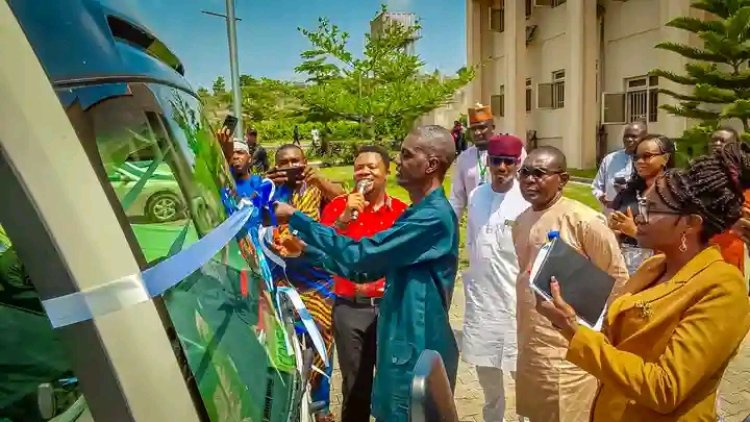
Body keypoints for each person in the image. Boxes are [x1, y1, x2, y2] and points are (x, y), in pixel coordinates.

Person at [536, 141, 750, 421]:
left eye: (653, 209)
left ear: (691, 223)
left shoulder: (723, 289)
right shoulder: (655, 266)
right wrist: (571, 308)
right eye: (643, 204)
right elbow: (618, 338)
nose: (638, 215)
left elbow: (665, 388)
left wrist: (574, 330)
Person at [273, 125, 459, 422]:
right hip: (399, 341)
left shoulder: (431, 218)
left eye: (407, 155)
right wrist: (308, 252)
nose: (399, 161)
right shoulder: (417, 212)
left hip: (417, 347)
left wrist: (298, 219)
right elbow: (363, 270)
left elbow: (362, 256)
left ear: (431, 165)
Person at [512, 146, 629, 422]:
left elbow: (618, 279)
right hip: (532, 344)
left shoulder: (585, 221)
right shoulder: (521, 221)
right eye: (525, 172)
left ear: (562, 180)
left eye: (539, 174)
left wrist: (602, 336)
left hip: (570, 350)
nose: (529, 180)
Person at [319, 146, 408, 422]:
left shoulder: (403, 212)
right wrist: (345, 218)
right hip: (350, 310)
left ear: (386, 172)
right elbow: (323, 248)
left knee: (392, 385)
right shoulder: (337, 208)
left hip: (390, 308)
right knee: (356, 386)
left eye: (372, 167)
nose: (365, 172)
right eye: (359, 167)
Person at [264, 144, 344, 422]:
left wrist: (318, 179)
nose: (290, 166)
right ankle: (291, 402)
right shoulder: (271, 190)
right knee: (286, 342)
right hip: (282, 280)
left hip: (318, 281)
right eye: (283, 162)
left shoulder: (317, 187)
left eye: (295, 160)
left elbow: (346, 201)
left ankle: (320, 405)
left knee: (321, 338)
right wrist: (265, 186)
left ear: (305, 161)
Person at [462, 134, 529, 422]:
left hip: (516, 306)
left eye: (508, 162)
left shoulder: (527, 200)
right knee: (488, 380)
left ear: (517, 164)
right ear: (488, 162)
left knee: (524, 377)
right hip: (482, 304)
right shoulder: (477, 195)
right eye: (496, 161)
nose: (502, 168)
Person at [608, 134, 676, 274]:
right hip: (625, 265)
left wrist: (635, 232)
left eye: (647, 156)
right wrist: (614, 228)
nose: (639, 161)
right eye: (636, 157)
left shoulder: (675, 195)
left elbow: (675, 239)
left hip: (660, 269)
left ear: (665, 158)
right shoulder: (629, 192)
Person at [450, 103, 527, 219]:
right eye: (473, 129)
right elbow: (457, 198)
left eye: (482, 127)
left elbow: (526, 185)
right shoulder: (465, 158)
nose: (477, 133)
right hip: (478, 219)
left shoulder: (514, 152)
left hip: (510, 217)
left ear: (493, 127)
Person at [707, 127, 750, 273]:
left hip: (735, 250)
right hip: (706, 249)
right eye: (714, 140)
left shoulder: (744, 178)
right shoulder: (701, 177)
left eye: (723, 141)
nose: (717, 144)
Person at [591, 121, 648, 214]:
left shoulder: (649, 161)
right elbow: (596, 186)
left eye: (634, 136)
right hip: (611, 216)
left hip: (637, 218)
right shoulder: (610, 159)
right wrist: (602, 197)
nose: (629, 139)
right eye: (626, 136)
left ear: (644, 138)